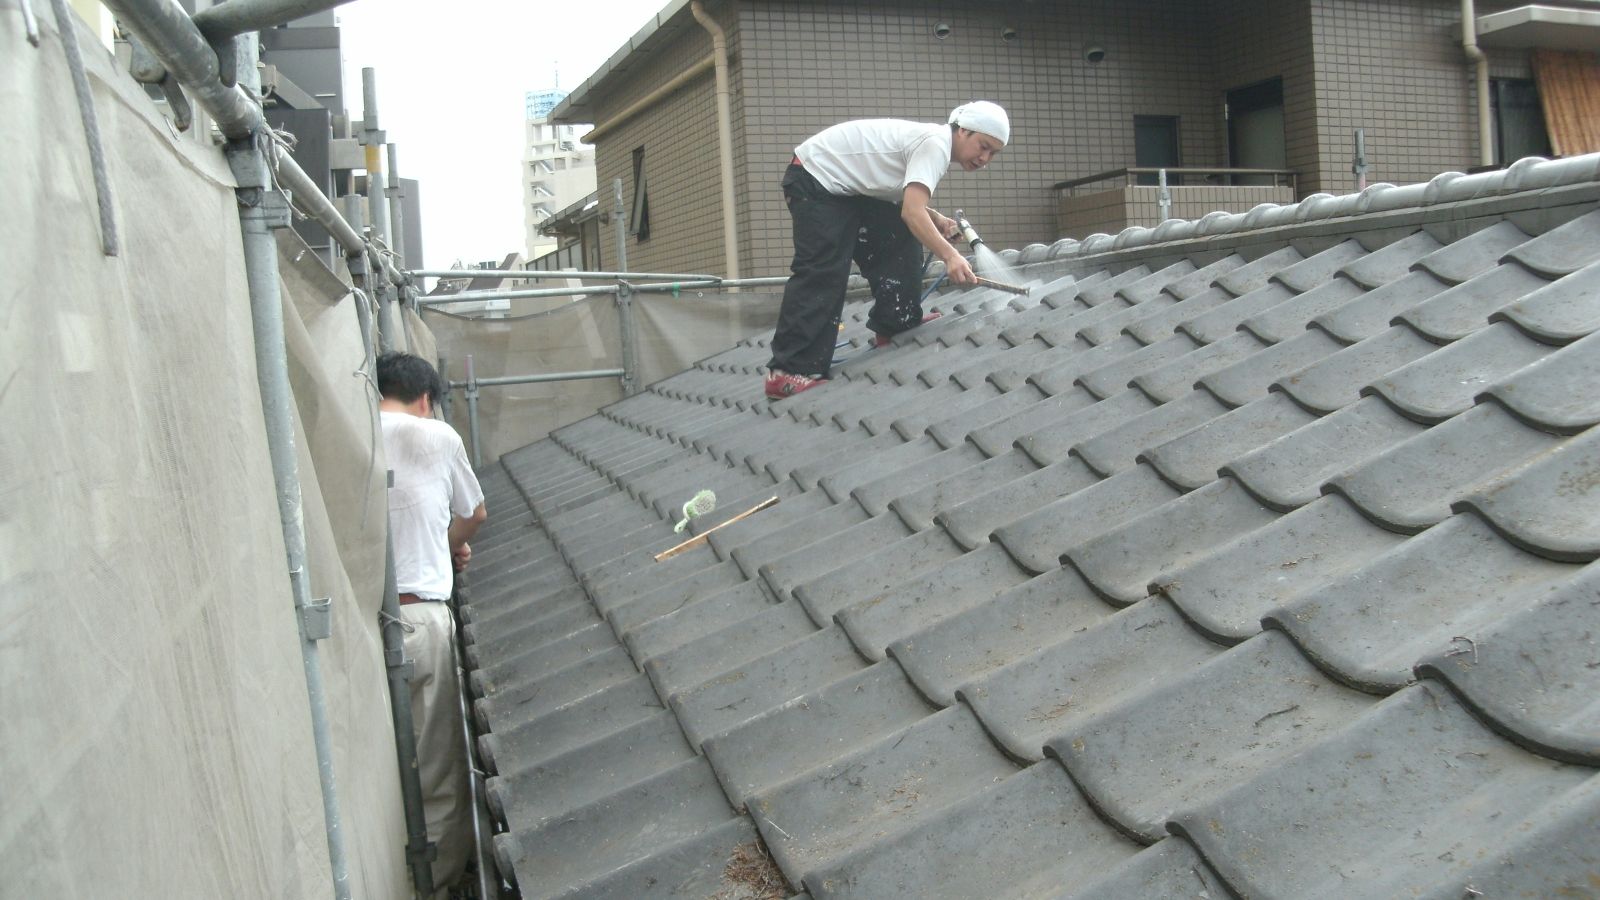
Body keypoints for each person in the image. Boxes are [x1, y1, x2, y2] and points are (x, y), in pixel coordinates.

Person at [764, 100, 1010, 400]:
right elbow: (911, 211)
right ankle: (788, 372)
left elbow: (894, 192)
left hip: (846, 188)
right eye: (983, 146)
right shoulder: (935, 144)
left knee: (897, 235)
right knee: (824, 269)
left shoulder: (933, 144)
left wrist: (936, 218)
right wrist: (950, 255)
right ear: (963, 132)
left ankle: (896, 321)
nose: (985, 158)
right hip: (815, 179)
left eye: (993, 153)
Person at [377, 351, 487, 895]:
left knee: (377, 763)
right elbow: (474, 513)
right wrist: (445, 549)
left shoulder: (349, 430)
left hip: (357, 621)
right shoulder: (436, 435)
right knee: (436, 763)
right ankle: (434, 885)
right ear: (426, 398)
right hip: (419, 615)